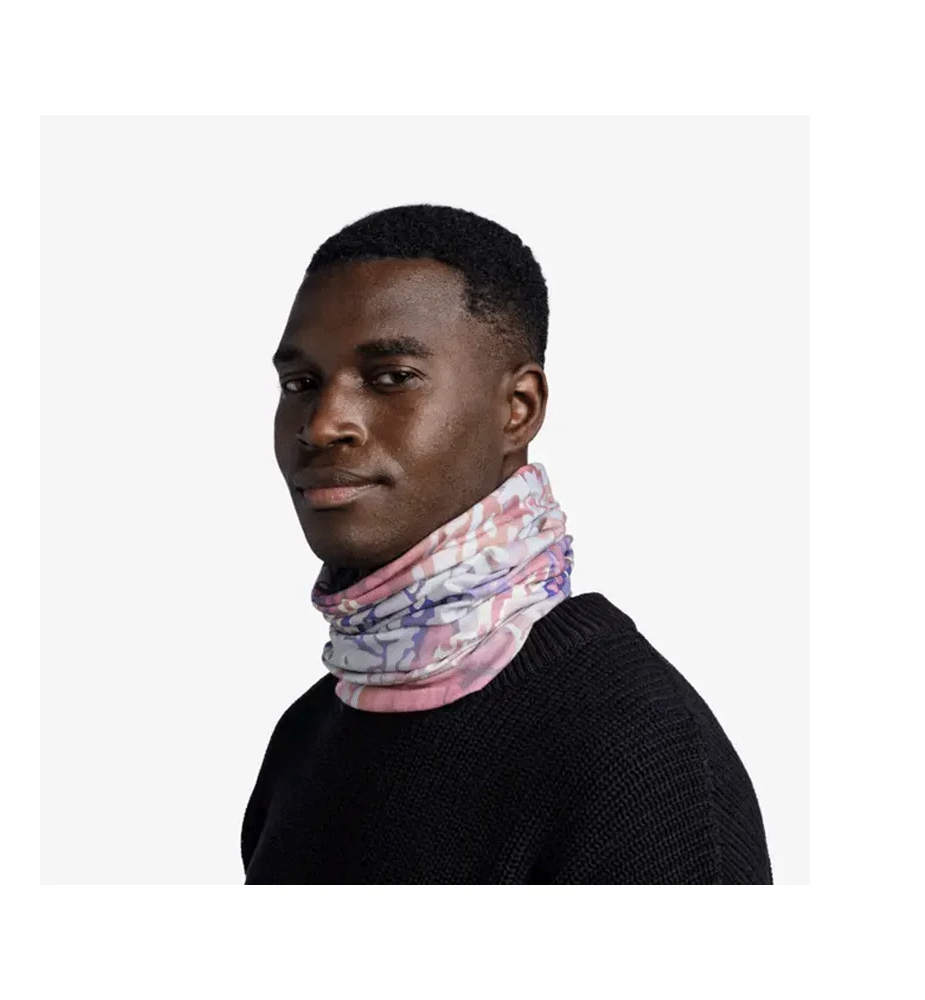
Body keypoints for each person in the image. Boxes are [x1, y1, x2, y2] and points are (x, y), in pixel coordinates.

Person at [241, 203, 773, 884]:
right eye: (300, 384)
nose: (321, 425)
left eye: (391, 377)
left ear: (518, 409)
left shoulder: (640, 750)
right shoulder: (307, 735)